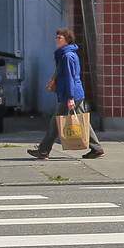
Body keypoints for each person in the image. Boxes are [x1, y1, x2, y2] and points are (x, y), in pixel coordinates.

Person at [29, 27, 103, 160]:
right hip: (75, 94)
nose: (57, 39)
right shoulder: (66, 54)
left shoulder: (67, 56)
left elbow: (69, 78)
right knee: (81, 121)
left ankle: (44, 150)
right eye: (56, 37)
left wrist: (70, 98)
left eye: (60, 37)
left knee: (55, 122)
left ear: (67, 40)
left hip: (71, 94)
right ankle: (96, 148)